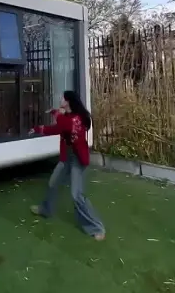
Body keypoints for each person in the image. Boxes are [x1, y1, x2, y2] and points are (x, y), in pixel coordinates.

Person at [28, 90, 105, 241]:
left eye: (63, 99)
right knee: (52, 183)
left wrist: (56, 113)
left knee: (77, 195)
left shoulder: (77, 119)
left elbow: (66, 125)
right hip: (66, 158)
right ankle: (46, 209)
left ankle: (97, 228)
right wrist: (38, 129)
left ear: (68, 102)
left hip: (78, 160)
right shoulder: (68, 117)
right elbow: (58, 128)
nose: (61, 100)